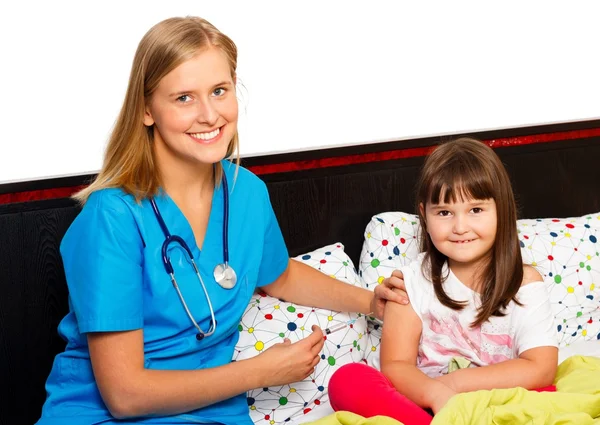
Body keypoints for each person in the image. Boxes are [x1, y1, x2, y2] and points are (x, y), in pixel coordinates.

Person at [35, 16, 408, 425]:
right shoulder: (112, 217)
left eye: (219, 91)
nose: (209, 115)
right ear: (146, 110)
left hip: (215, 414)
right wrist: (261, 372)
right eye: (184, 98)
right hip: (104, 415)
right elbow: (124, 395)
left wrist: (371, 301)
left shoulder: (246, 191)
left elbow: (279, 276)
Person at [328, 138, 559, 424]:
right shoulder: (411, 281)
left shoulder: (524, 284)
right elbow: (396, 366)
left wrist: (454, 385)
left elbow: (541, 367)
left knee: (549, 391)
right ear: (424, 215)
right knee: (348, 380)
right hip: (424, 404)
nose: (460, 227)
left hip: (492, 398)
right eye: (445, 213)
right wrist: (435, 394)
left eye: (476, 210)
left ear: (502, 208)